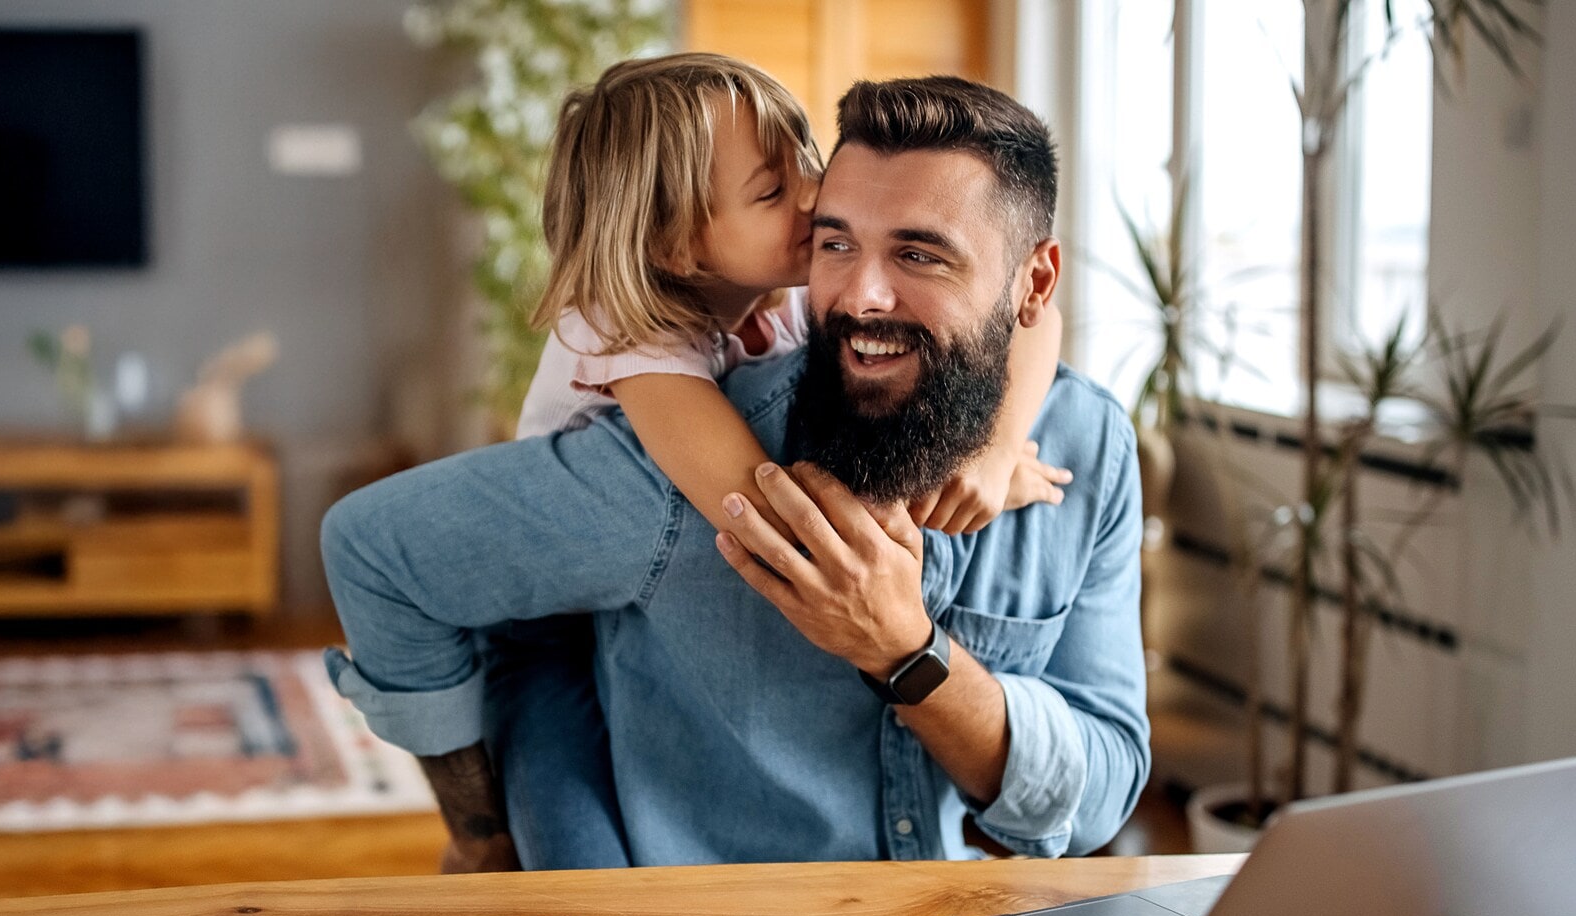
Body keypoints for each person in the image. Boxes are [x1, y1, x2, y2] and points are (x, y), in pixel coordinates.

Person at [323, 74, 1149, 869]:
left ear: (1031, 280)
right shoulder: (661, 406)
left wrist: (994, 452)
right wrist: (477, 832)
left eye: (921, 255)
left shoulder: (1085, 443)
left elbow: (1100, 796)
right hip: (672, 887)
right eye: (836, 239)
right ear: (680, 243)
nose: (861, 296)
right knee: (566, 846)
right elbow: (375, 550)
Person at [490, 54, 1071, 870]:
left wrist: (993, 445)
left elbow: (1033, 310)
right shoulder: (626, 331)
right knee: (577, 883)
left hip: (637, 627)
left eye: (804, 155)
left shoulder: (787, 288)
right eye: (771, 190)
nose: (813, 193)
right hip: (544, 640)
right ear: (674, 243)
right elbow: (769, 512)